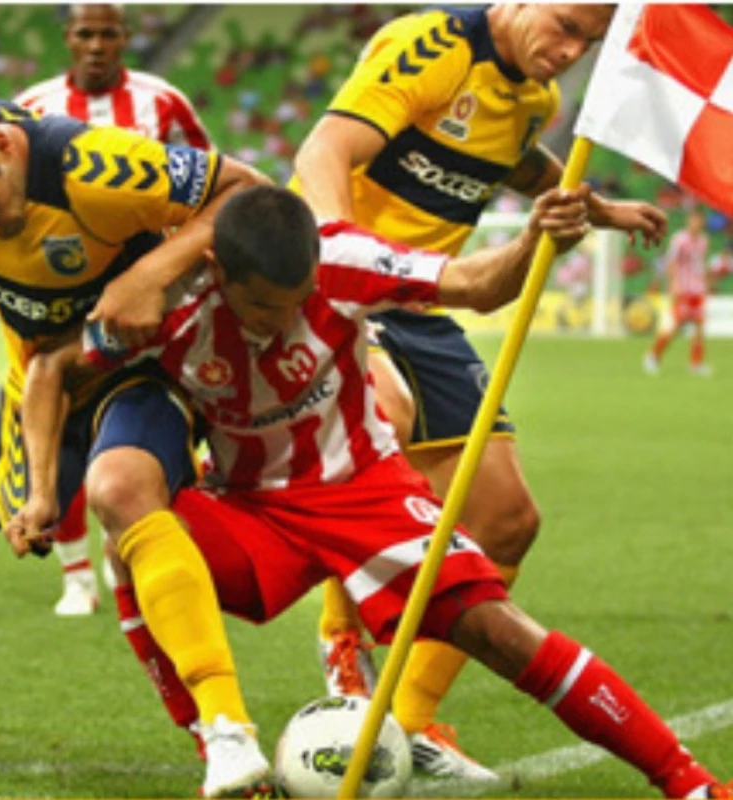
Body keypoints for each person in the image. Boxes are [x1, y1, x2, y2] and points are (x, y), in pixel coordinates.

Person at [12, 185, 729, 800]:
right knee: (128, 522)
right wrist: (41, 492)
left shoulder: (343, 259)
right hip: (252, 509)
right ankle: (221, 741)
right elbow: (49, 371)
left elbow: (478, 284)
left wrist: (532, 240)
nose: (279, 321)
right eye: (261, 307)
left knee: (500, 632)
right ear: (215, 270)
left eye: (295, 303)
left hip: (367, 493)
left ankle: (690, 781)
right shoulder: (163, 303)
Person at [291, 3, 668, 778]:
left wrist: (598, 208)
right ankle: (343, 644)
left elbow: (522, 167)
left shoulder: (535, 98)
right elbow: (326, 146)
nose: (567, 52)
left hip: (429, 304)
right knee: (381, 424)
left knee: (507, 520)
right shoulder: (432, 46)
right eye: (562, 25)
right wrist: (337, 245)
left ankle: (407, 723)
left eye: (586, 43)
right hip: (344, 291)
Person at [0, 97, 274, 797]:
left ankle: (228, 731)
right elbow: (46, 366)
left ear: (3, 148)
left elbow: (251, 193)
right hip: (42, 385)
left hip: (145, 366)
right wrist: (39, 492)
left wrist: (151, 273)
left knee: (121, 489)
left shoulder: (93, 168)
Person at [16, 3, 212, 617]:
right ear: (68, 40)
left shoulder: (165, 101)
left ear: (126, 38)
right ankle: (76, 576)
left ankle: (119, 536)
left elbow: (205, 181)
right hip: (57, 295)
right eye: (85, 34)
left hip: (149, 296)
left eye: (108, 33)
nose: (97, 45)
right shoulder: (34, 105)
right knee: (60, 423)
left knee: (144, 416)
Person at [644, 208, 713, 376]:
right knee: (676, 326)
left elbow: (701, 264)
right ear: (689, 221)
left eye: (700, 220)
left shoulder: (703, 241)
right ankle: (653, 355)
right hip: (683, 288)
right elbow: (672, 262)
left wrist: (706, 283)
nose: (697, 224)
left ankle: (696, 363)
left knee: (699, 326)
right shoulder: (680, 240)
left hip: (697, 289)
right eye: (694, 220)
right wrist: (674, 283)